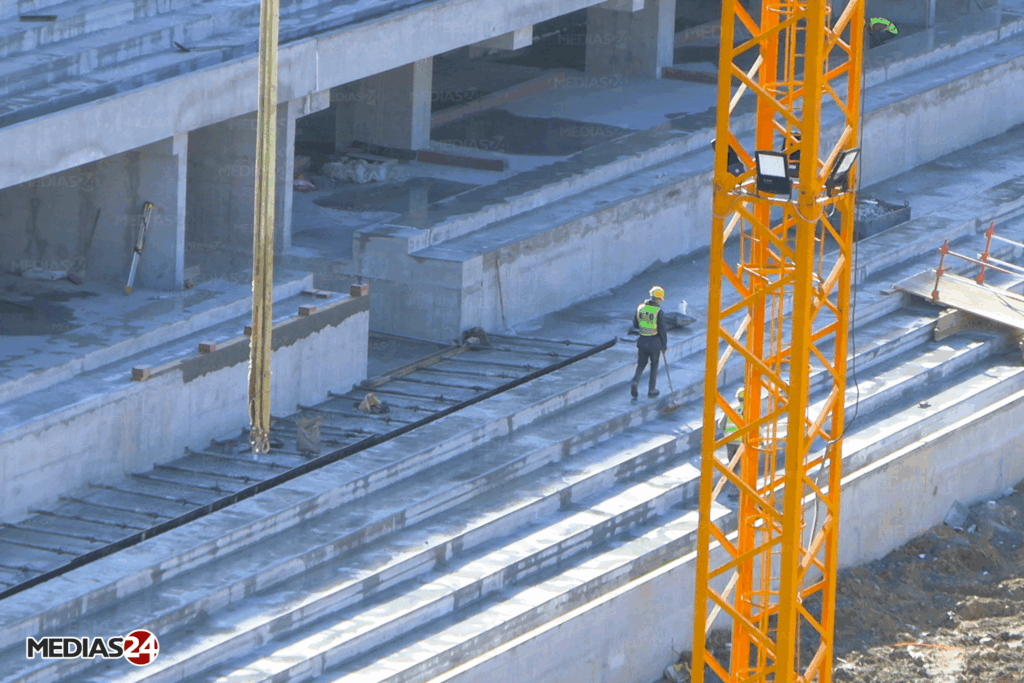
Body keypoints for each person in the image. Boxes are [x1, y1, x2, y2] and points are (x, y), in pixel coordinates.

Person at [631, 286, 668, 398]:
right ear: (658, 299)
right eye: (660, 299)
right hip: (654, 343)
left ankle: (635, 381)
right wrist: (664, 345)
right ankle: (651, 390)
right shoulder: (658, 312)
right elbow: (662, 331)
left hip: (642, 341)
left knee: (641, 364)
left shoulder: (640, 308)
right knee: (654, 365)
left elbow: (635, 324)